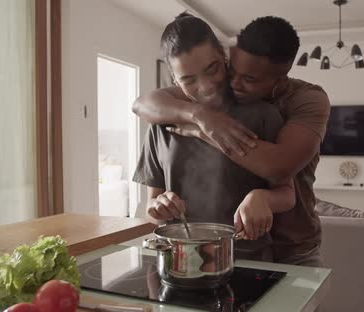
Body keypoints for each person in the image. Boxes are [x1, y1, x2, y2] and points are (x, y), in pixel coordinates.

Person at [133, 16, 330, 267]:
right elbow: (140, 105)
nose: (205, 87)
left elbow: (281, 174)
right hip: (182, 258)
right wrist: (200, 116)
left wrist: (206, 129)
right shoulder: (165, 120)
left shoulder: (289, 106)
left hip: (282, 249)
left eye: (212, 69)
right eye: (188, 79)